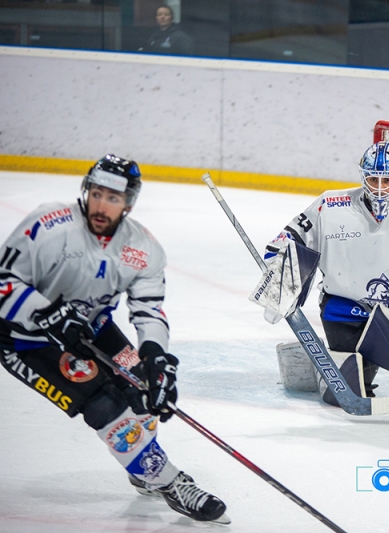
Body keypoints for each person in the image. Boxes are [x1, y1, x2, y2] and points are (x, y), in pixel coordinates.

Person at [0, 155, 228, 523]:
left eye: (113, 198)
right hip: (26, 338)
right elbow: (4, 283)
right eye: (97, 193)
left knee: (144, 388)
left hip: (90, 328)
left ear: (129, 202)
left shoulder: (143, 249)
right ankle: (171, 482)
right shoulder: (48, 224)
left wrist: (155, 357)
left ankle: (144, 470)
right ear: (86, 190)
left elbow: (149, 310)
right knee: (102, 404)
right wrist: (46, 313)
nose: (101, 205)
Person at [254, 141, 389, 406]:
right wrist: (280, 274)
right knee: (345, 391)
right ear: (363, 177)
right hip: (347, 309)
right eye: (373, 179)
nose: (380, 188)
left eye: (388, 181)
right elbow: (286, 241)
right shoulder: (330, 206)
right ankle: (323, 364)